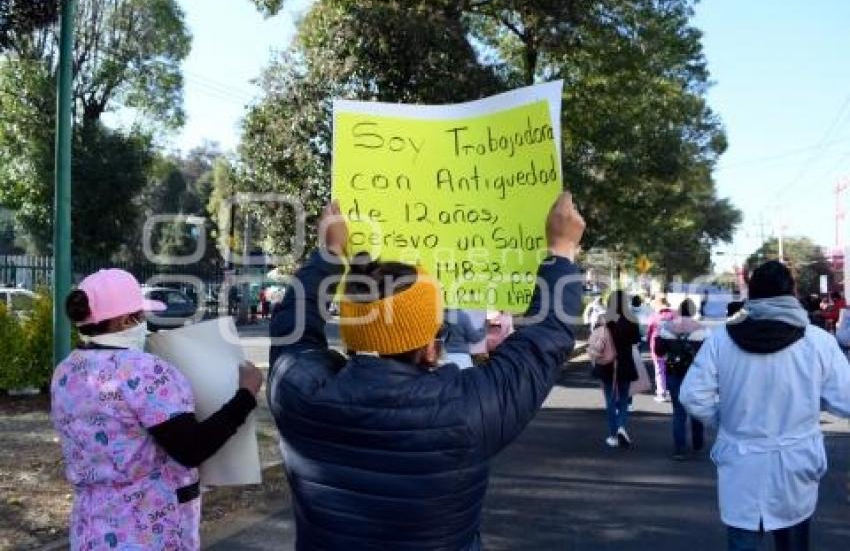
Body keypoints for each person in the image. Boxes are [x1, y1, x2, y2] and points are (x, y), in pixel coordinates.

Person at [267, 194, 584, 550]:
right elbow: (542, 342)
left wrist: (328, 254)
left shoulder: (297, 390)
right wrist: (561, 249)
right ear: (430, 346)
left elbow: (290, 323)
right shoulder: (467, 408)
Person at [50, 268, 263, 550]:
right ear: (126, 319)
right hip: (147, 530)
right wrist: (245, 396)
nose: (144, 322)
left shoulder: (66, 370)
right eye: (141, 315)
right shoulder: (145, 371)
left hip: (90, 529)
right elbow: (191, 449)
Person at [680, 261, 850, 551]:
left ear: (752, 294)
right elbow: (845, 400)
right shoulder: (819, 342)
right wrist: (813, 399)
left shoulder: (721, 339)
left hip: (741, 463)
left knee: (742, 541)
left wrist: (723, 420)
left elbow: (692, 395)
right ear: (793, 293)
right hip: (796, 465)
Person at [656, 299, 707, 460]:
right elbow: (709, 355)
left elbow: (658, 351)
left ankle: (679, 449)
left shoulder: (667, 328)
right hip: (696, 376)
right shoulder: (702, 330)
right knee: (696, 410)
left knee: (678, 412)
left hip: (674, 373)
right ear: (693, 311)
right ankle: (697, 443)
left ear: (679, 310)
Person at [594, 290, 641, 448]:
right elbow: (636, 340)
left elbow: (595, 339)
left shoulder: (603, 319)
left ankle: (613, 435)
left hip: (606, 364)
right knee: (623, 400)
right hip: (625, 363)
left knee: (610, 400)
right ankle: (621, 426)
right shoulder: (631, 320)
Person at [647, 296, 675, 402]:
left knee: (659, 369)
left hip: (657, 345)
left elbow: (649, 332)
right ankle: (670, 390)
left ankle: (661, 393)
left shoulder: (654, 316)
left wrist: (649, 341)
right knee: (670, 369)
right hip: (671, 345)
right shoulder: (673, 315)